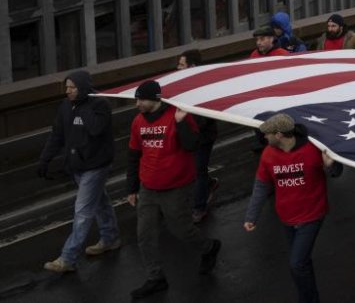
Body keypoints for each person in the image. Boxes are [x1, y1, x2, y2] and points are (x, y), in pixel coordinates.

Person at [126, 79, 222, 299]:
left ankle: (208, 247)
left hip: (177, 186)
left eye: (140, 100)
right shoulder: (138, 122)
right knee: (144, 235)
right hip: (148, 187)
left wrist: (180, 123)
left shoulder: (178, 116)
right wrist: (132, 188)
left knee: (181, 229)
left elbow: (192, 146)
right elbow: (133, 155)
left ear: (154, 100)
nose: (137, 104)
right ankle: (155, 278)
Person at [243, 113, 343, 303]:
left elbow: (336, 172)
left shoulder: (313, 149)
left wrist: (330, 165)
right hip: (287, 218)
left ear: (279, 135)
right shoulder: (268, 154)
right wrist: (251, 216)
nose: (264, 137)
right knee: (302, 263)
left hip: (312, 215)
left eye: (267, 134)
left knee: (297, 264)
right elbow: (261, 185)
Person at [39, 70, 121, 273]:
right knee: (100, 202)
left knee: (83, 211)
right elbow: (57, 135)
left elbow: (95, 129)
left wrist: (82, 105)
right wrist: (45, 159)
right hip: (77, 165)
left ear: (83, 87)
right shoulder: (66, 106)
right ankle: (110, 238)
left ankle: (68, 258)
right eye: (66, 87)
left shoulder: (99, 105)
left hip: (96, 165)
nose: (67, 91)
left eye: (72, 87)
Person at [175, 51, 220, 223]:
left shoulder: (203, 86)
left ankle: (199, 207)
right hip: (188, 134)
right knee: (193, 167)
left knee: (198, 170)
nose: (178, 68)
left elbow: (205, 116)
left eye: (181, 64)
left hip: (203, 136)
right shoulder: (180, 84)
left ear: (192, 67)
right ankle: (209, 184)